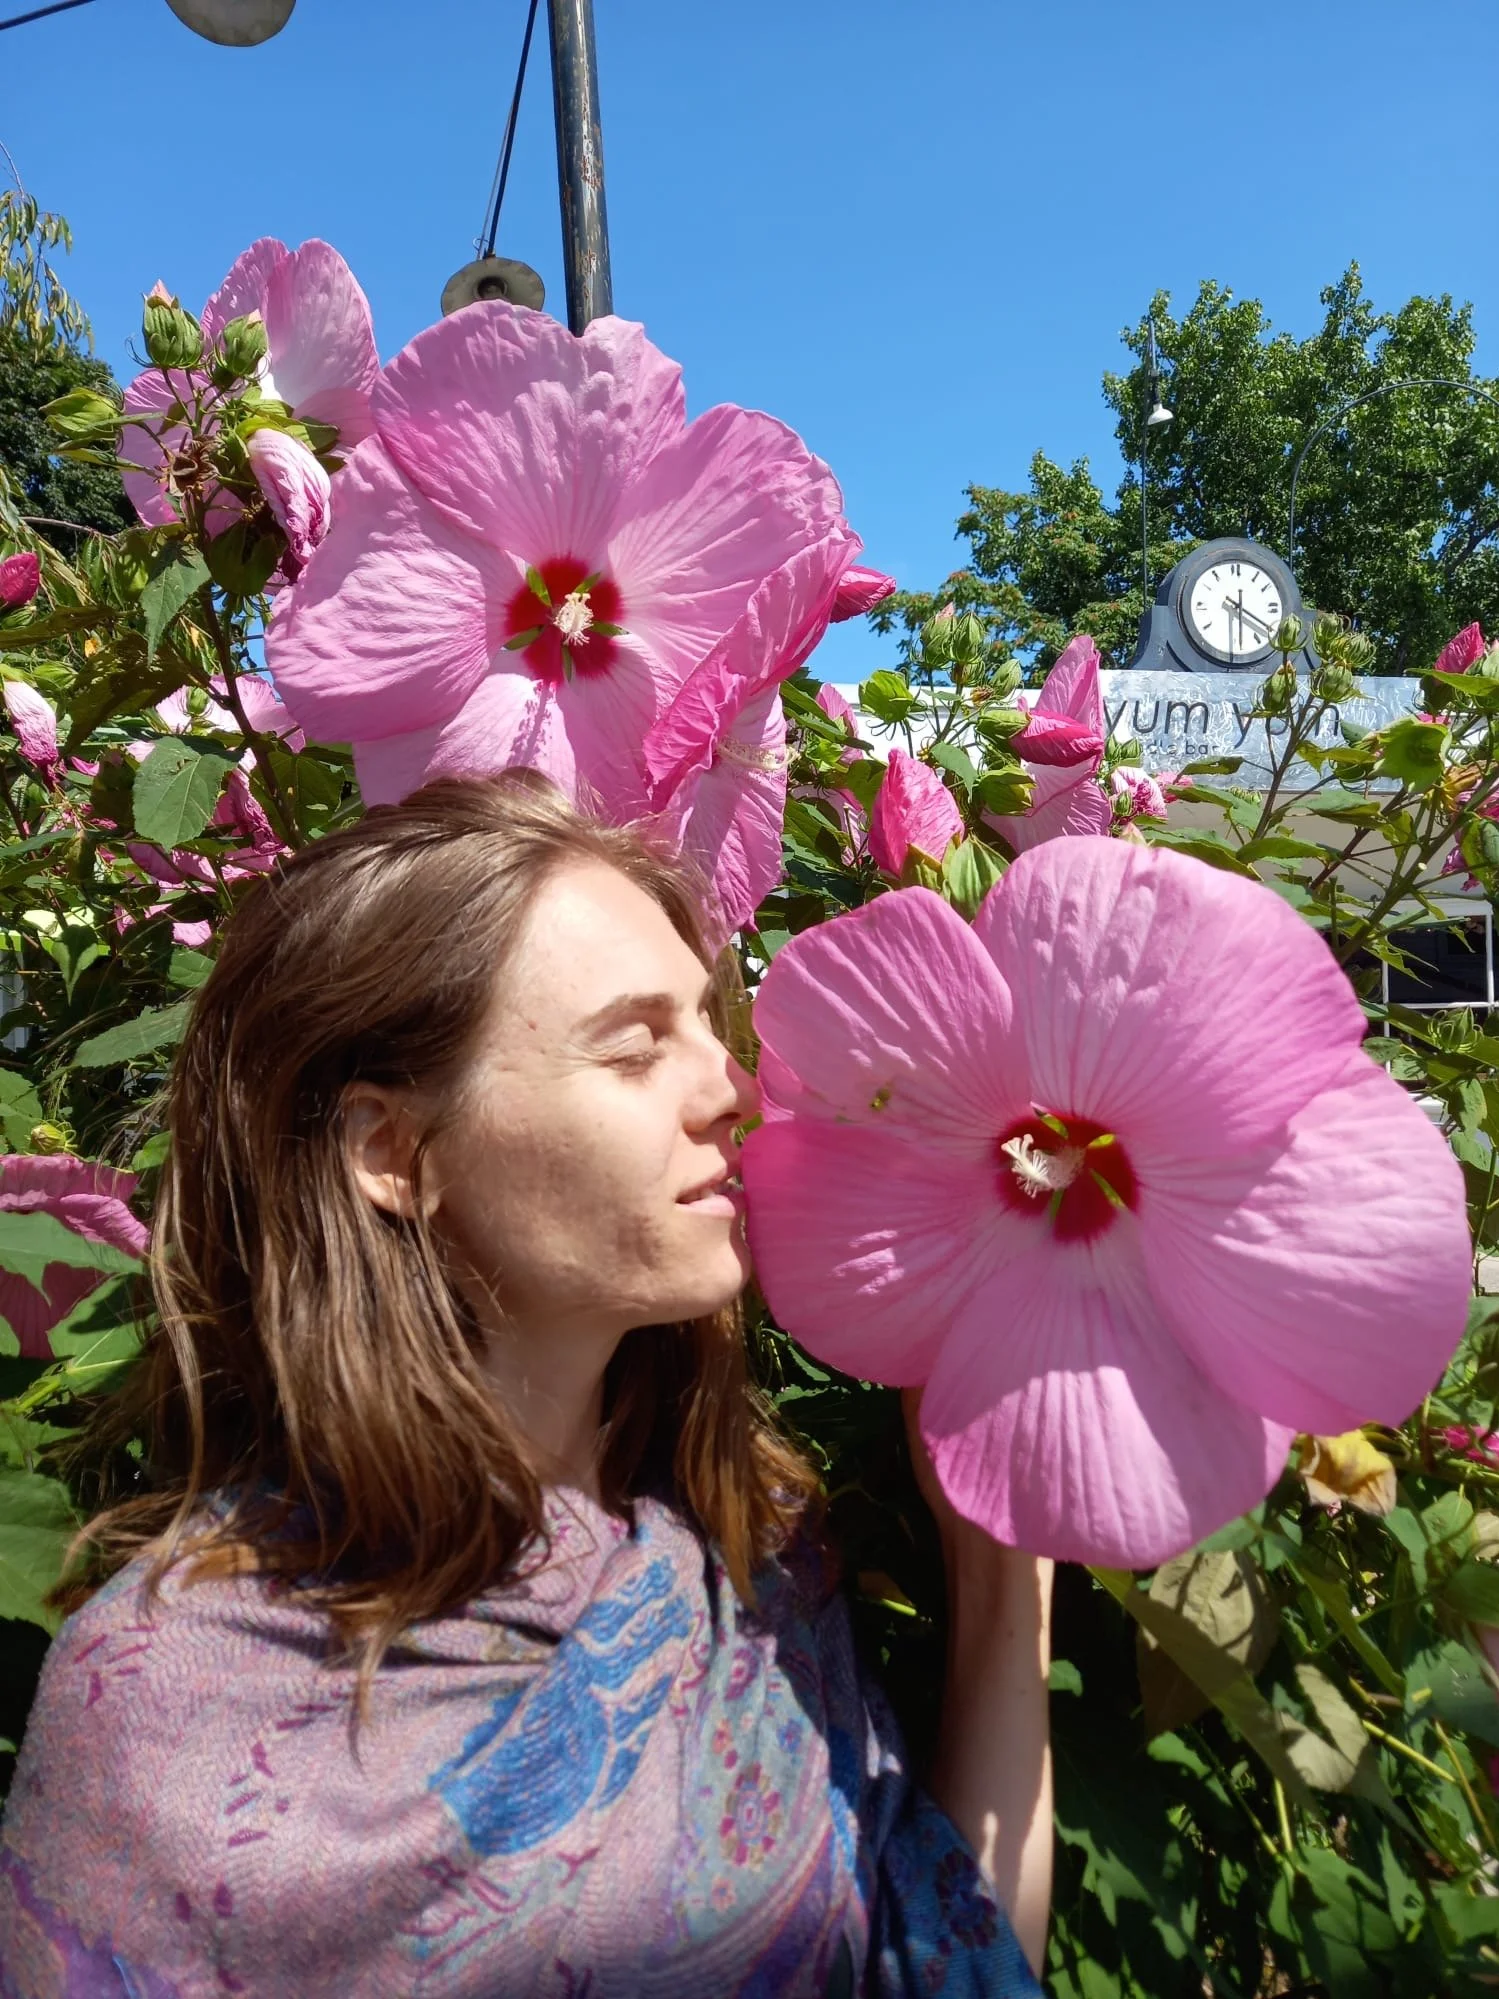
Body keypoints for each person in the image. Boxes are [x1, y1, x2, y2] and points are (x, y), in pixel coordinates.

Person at [0, 773, 1053, 1998]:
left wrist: (997, 1582)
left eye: (710, 1025)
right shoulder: (157, 1721)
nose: (738, 1089)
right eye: (635, 1045)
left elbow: (950, 1960)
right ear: (393, 1153)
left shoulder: (744, 1545)